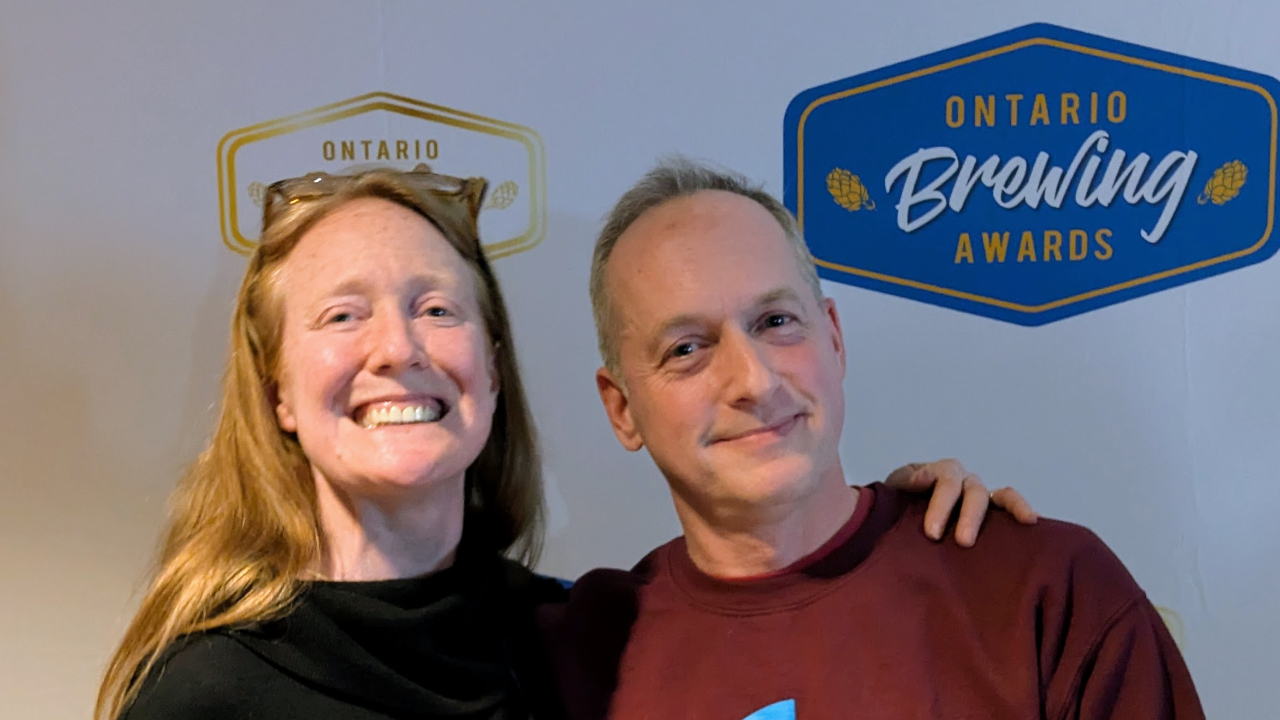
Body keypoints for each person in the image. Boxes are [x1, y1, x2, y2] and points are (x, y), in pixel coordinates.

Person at [95, 164, 1029, 720]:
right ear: (278, 396)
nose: (399, 349)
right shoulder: (203, 693)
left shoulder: (578, 638)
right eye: (343, 315)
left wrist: (903, 541)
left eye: (434, 307)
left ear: (492, 369)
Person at [543, 157, 1206, 720]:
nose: (754, 379)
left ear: (833, 338)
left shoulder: (1044, 590)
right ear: (621, 407)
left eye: (776, 320)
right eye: (688, 347)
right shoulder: (581, 655)